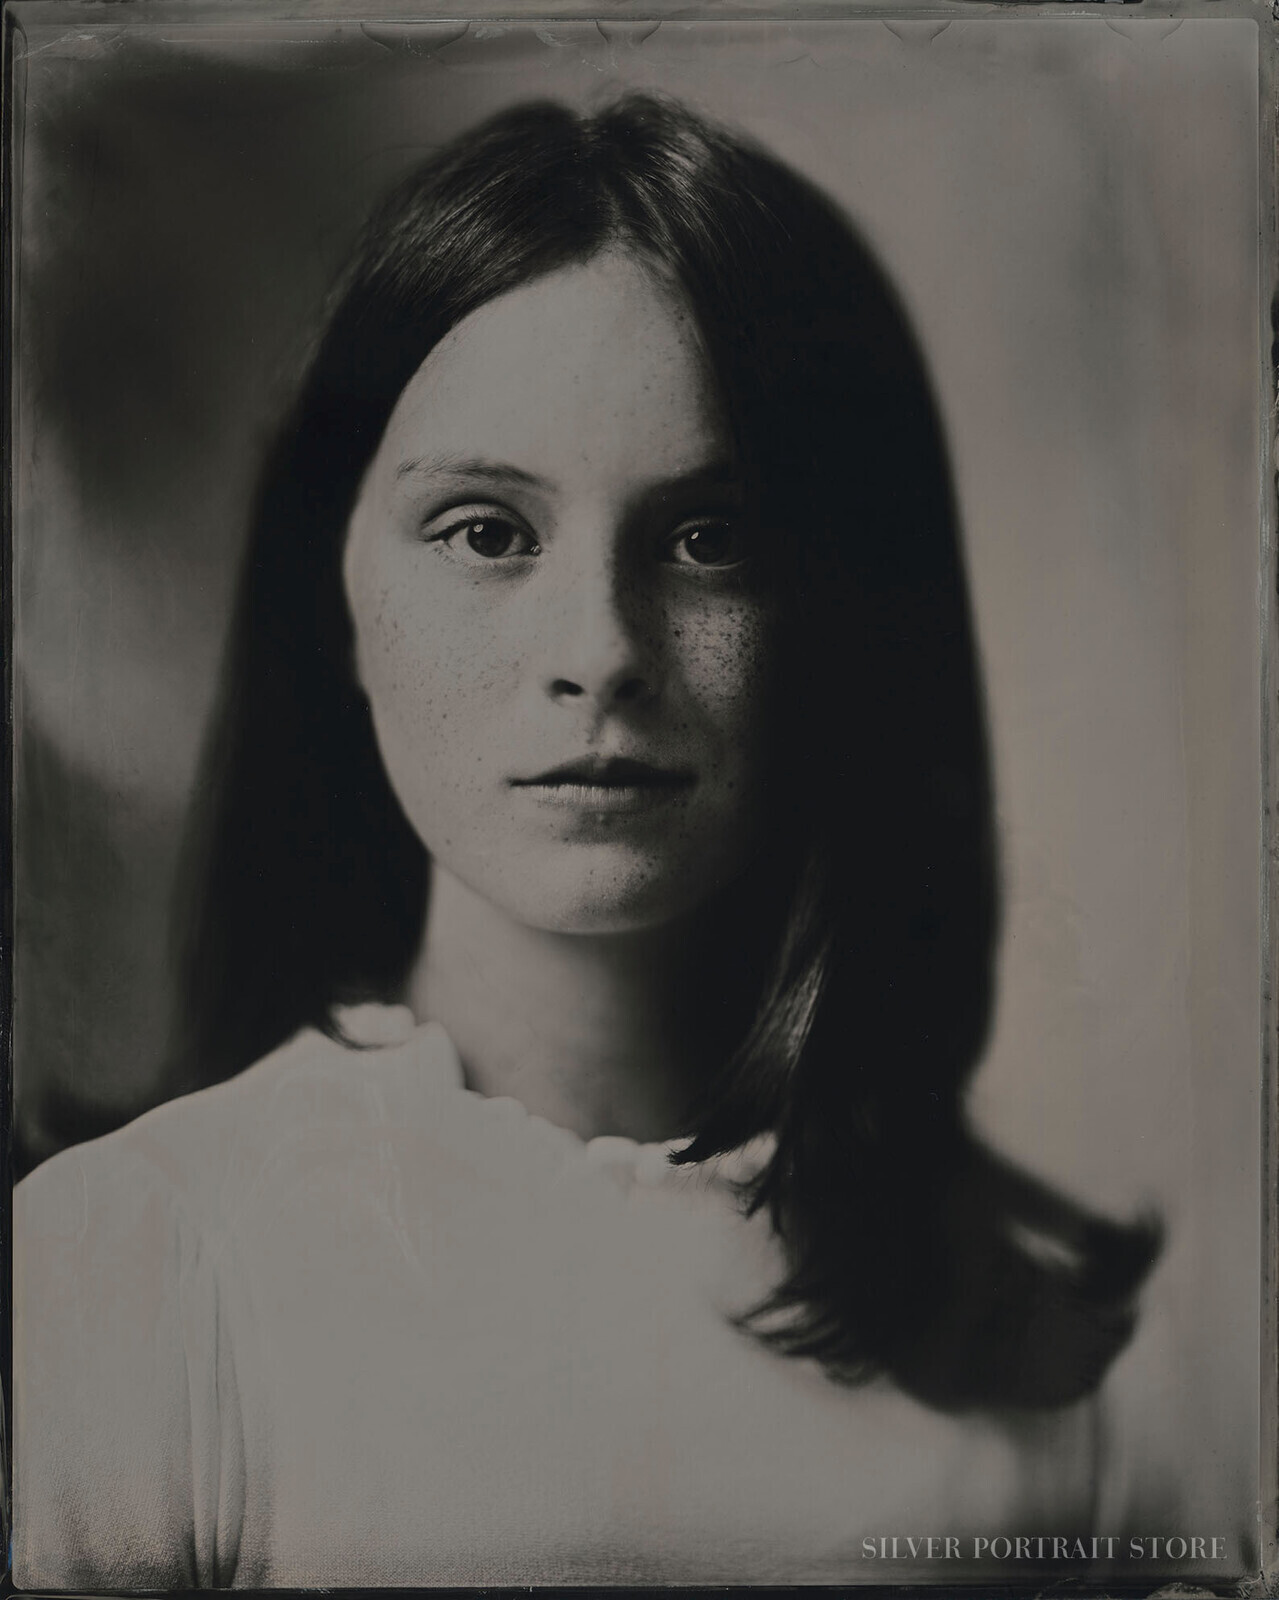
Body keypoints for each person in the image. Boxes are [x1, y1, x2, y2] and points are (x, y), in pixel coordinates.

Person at [12, 93, 1163, 1588]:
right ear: (336, 594)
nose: (602, 652)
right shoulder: (143, 1277)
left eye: (709, 538)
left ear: (846, 618)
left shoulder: (1042, 1361)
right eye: (487, 530)